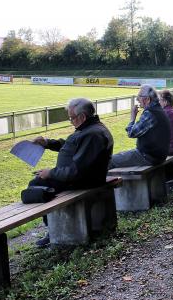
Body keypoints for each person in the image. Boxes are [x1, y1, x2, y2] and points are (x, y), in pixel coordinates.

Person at [29, 98, 114, 246]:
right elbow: (71, 146)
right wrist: (48, 143)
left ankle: (56, 230)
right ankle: (54, 228)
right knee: (39, 182)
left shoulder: (92, 134)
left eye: (72, 118)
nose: (71, 121)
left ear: (82, 117)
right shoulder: (91, 129)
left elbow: (76, 171)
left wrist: (51, 173)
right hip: (82, 178)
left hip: (82, 182)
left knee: (37, 185)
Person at [109, 85, 171, 168]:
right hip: (157, 156)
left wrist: (132, 118)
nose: (137, 99)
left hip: (149, 157)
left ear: (147, 99)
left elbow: (132, 133)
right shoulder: (158, 109)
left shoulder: (150, 113)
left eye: (139, 96)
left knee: (109, 161)